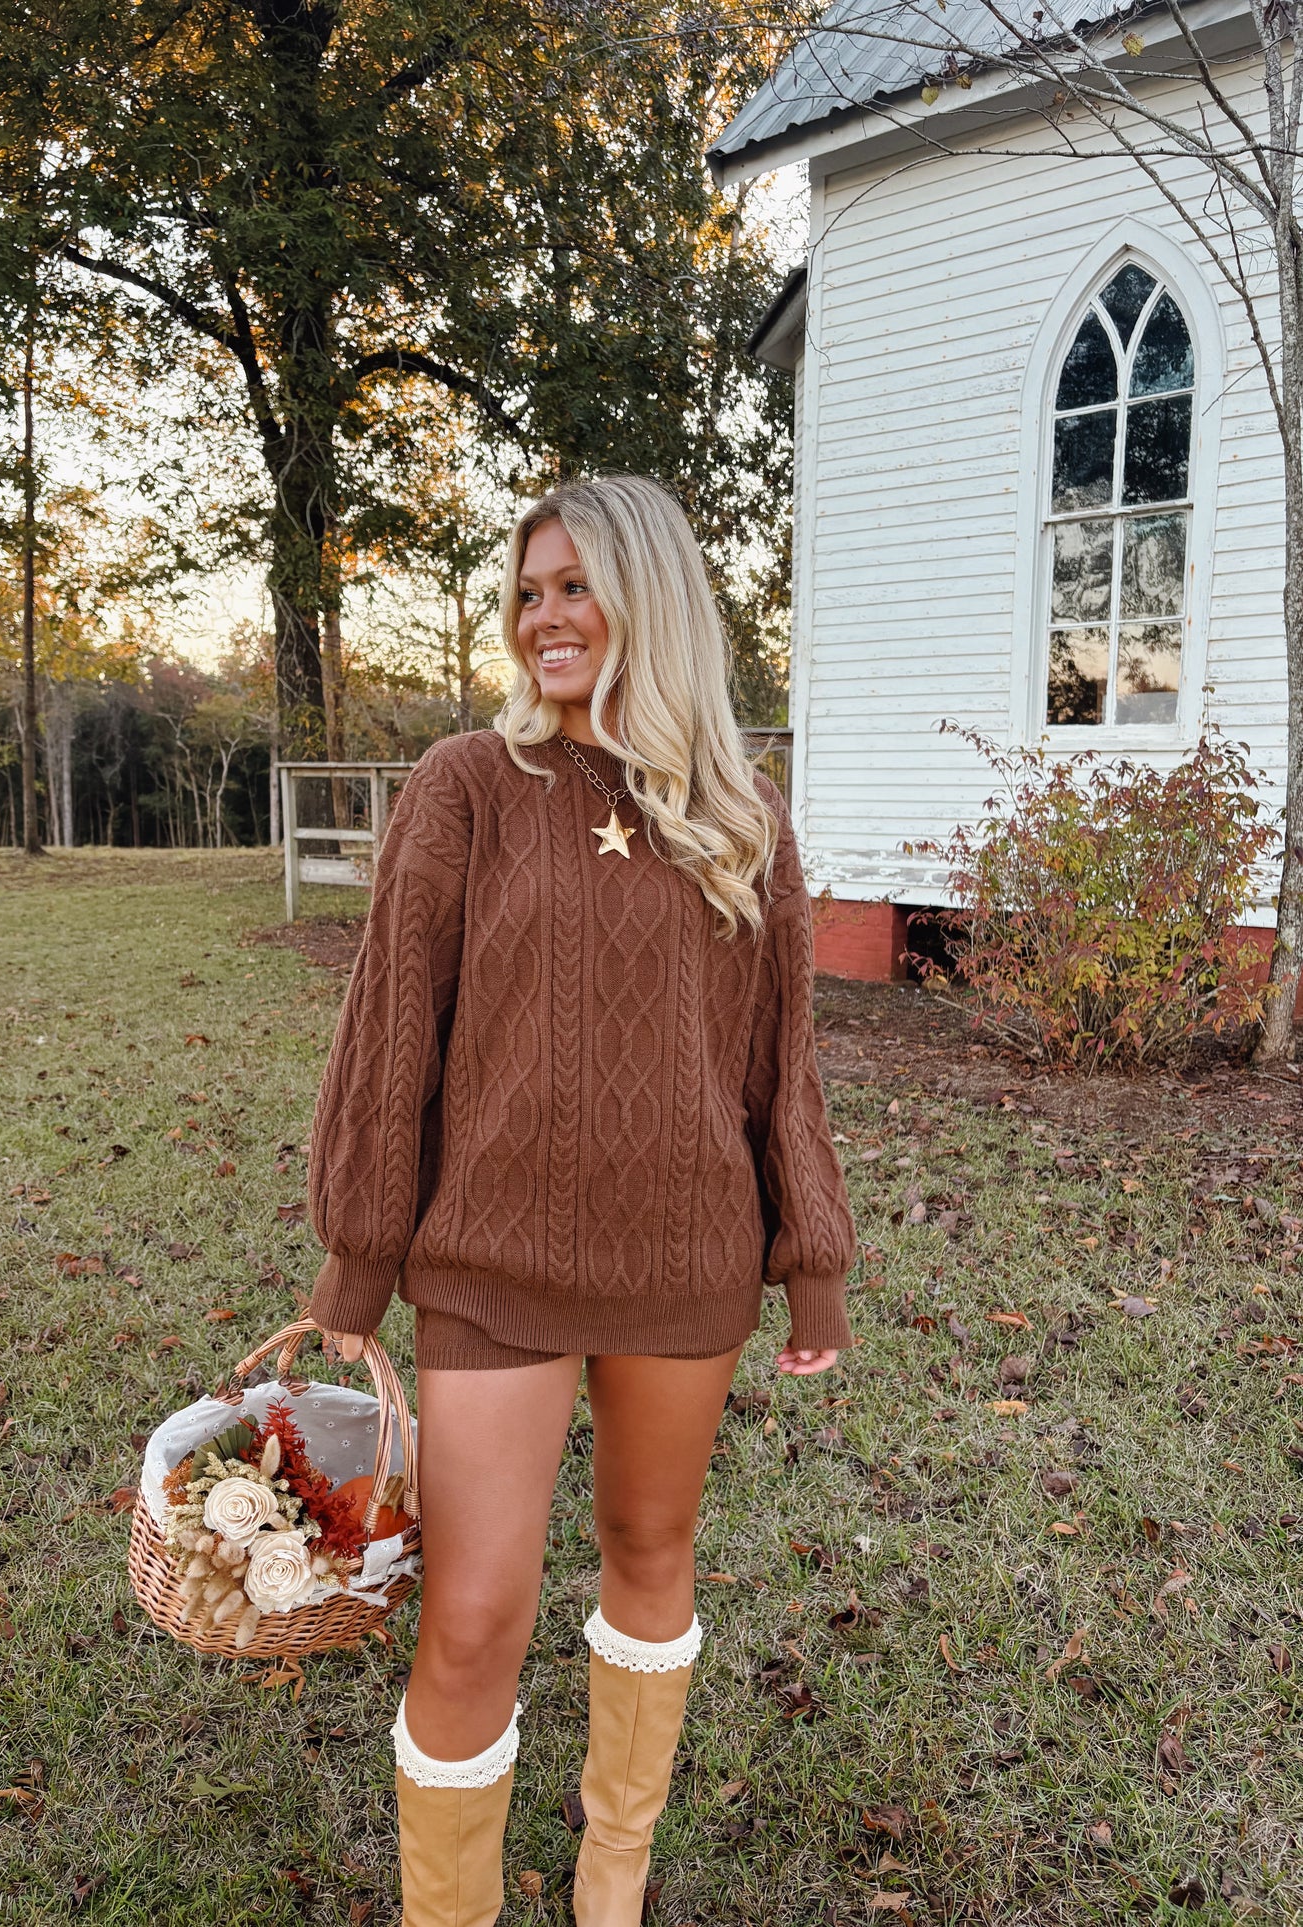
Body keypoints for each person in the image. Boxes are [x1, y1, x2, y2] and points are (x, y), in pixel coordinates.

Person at [306, 474, 856, 1926]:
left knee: (649, 1553)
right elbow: (392, 1037)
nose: (544, 618)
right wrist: (358, 1264)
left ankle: (614, 1874)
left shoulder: (740, 814)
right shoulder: (466, 785)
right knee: (471, 1614)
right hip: (490, 1262)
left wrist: (810, 1255)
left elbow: (779, 1059)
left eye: (574, 587)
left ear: (649, 601)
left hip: (686, 1260)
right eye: (528, 593)